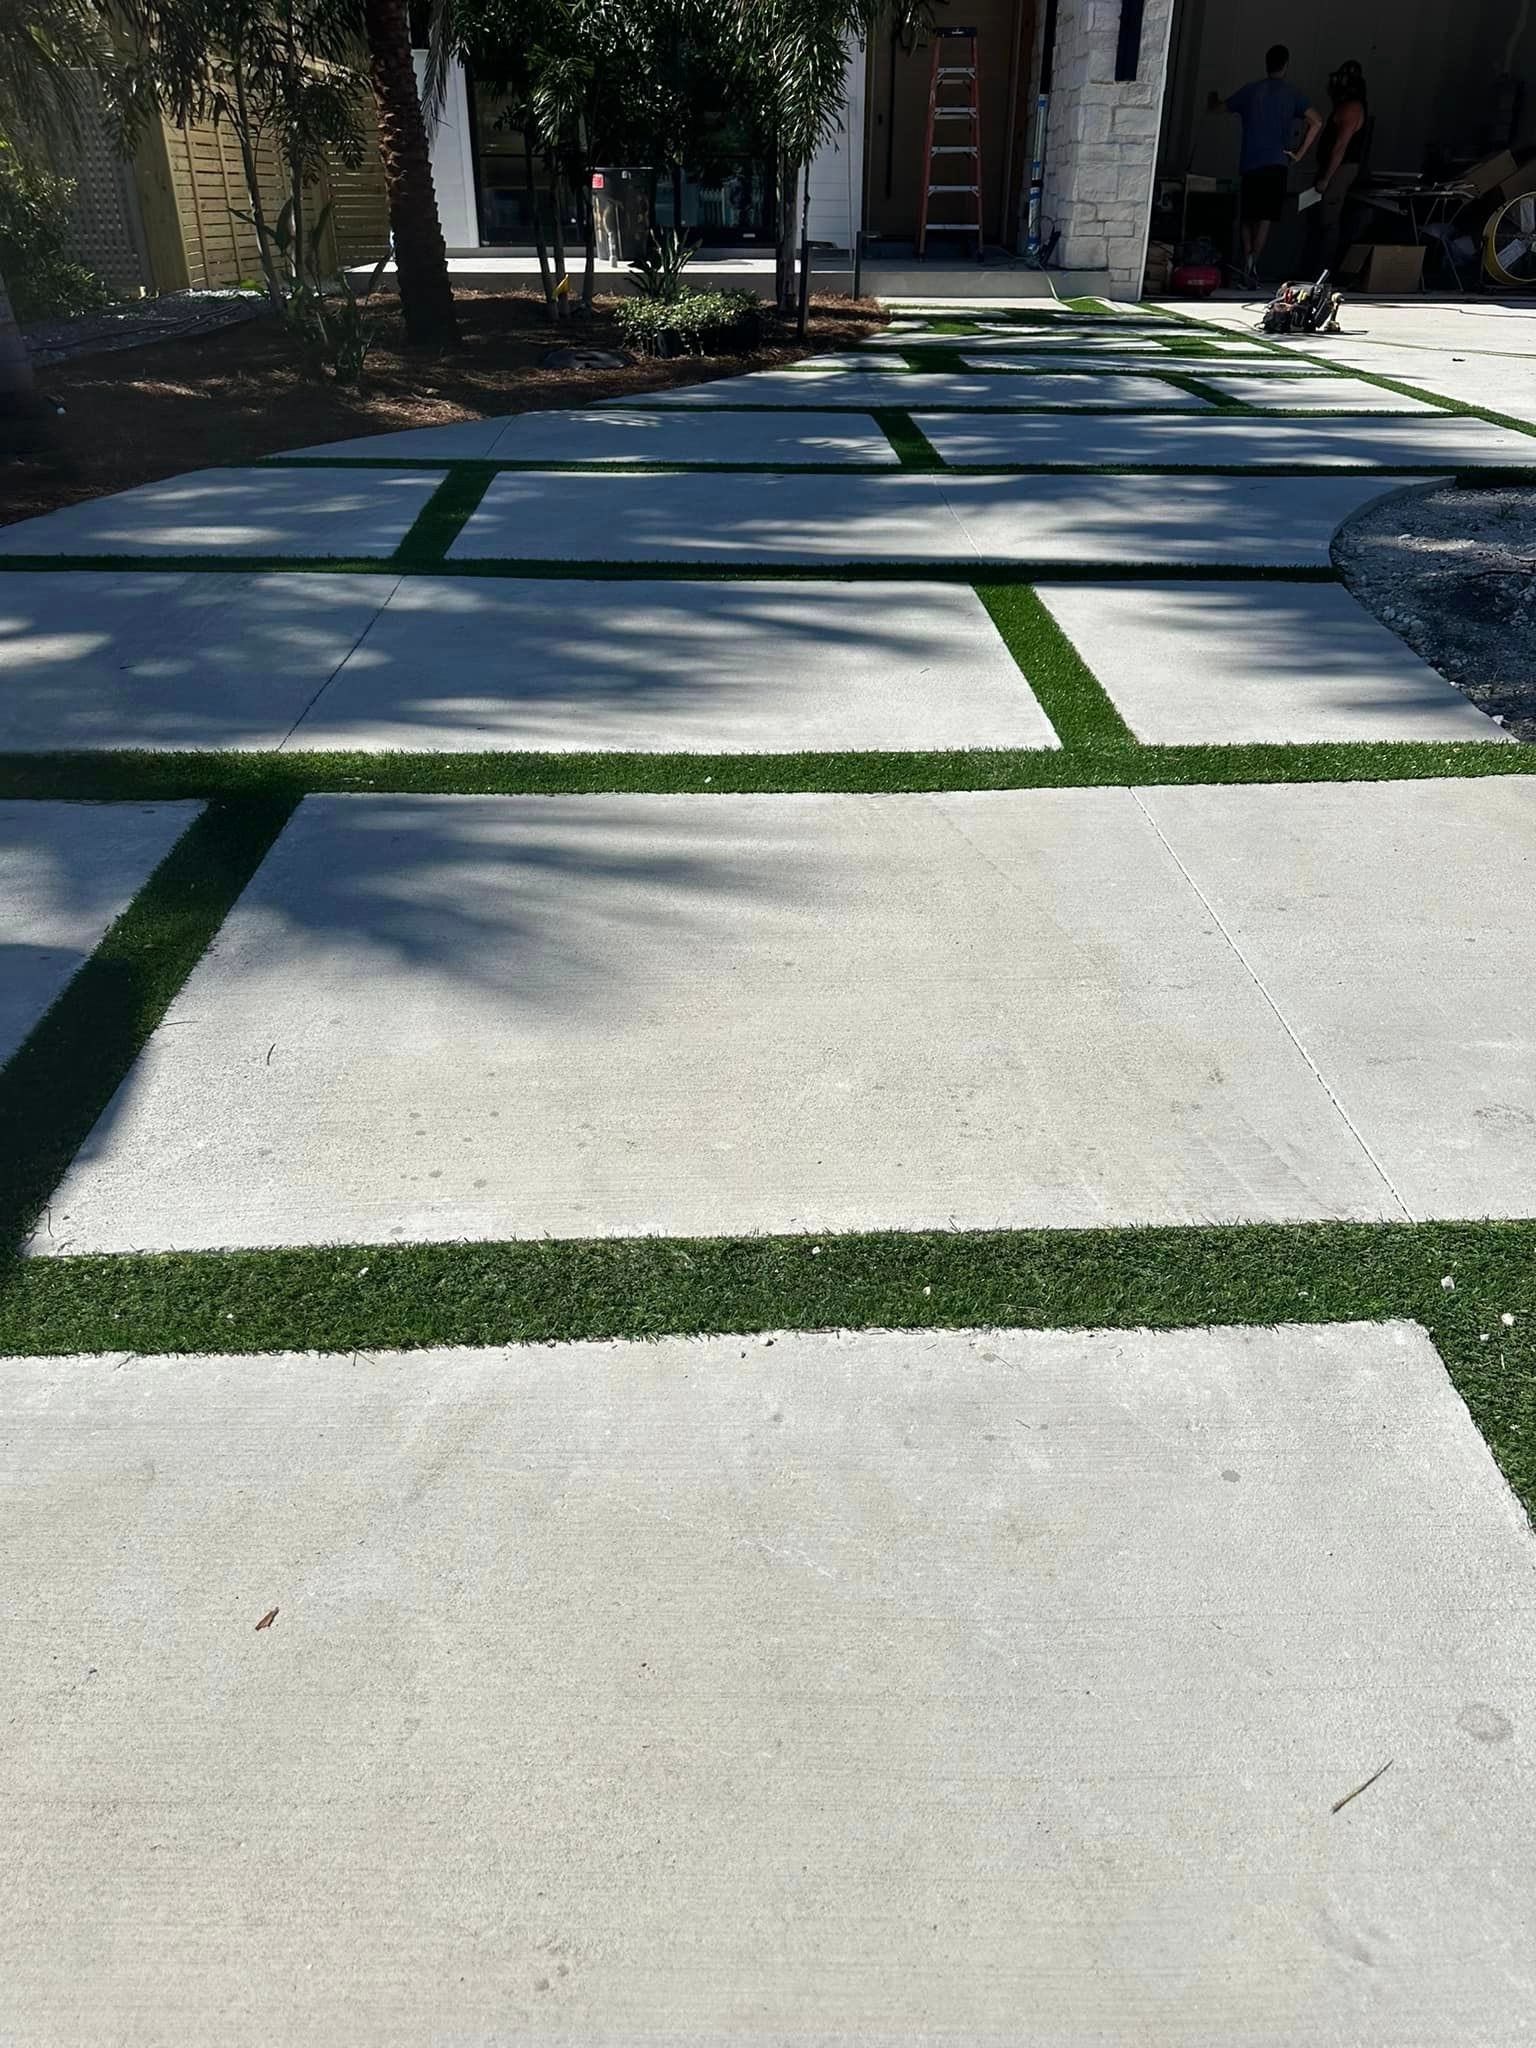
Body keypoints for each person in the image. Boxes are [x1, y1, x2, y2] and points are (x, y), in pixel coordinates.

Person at [1219, 46, 1322, 286]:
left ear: (1266, 63)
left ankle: (1246, 258)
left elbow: (1221, 107)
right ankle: (1254, 262)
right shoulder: (1293, 94)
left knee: (1247, 214)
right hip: (1276, 162)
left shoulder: (1250, 91)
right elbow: (1317, 121)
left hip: (1250, 161)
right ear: (1285, 65)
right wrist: (1298, 153)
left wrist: (1212, 99)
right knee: (1265, 217)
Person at [1308, 60, 1370, 271]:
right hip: (1333, 167)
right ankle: (1314, 267)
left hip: (1340, 169)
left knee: (1329, 218)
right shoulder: (1345, 106)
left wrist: (1326, 177)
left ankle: (1323, 271)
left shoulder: (1352, 108)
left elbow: (1340, 147)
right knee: (1318, 218)